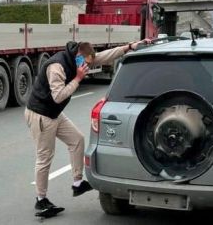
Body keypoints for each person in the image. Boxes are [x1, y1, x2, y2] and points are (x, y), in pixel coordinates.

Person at [25, 39, 150, 217]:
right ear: (78, 57)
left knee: (77, 140)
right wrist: (77, 78)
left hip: (53, 113)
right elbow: (58, 96)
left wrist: (129, 47)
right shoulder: (56, 67)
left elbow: (103, 56)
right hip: (41, 114)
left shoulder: (82, 57)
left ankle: (77, 183)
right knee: (45, 157)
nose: (88, 67)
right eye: (86, 63)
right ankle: (41, 200)